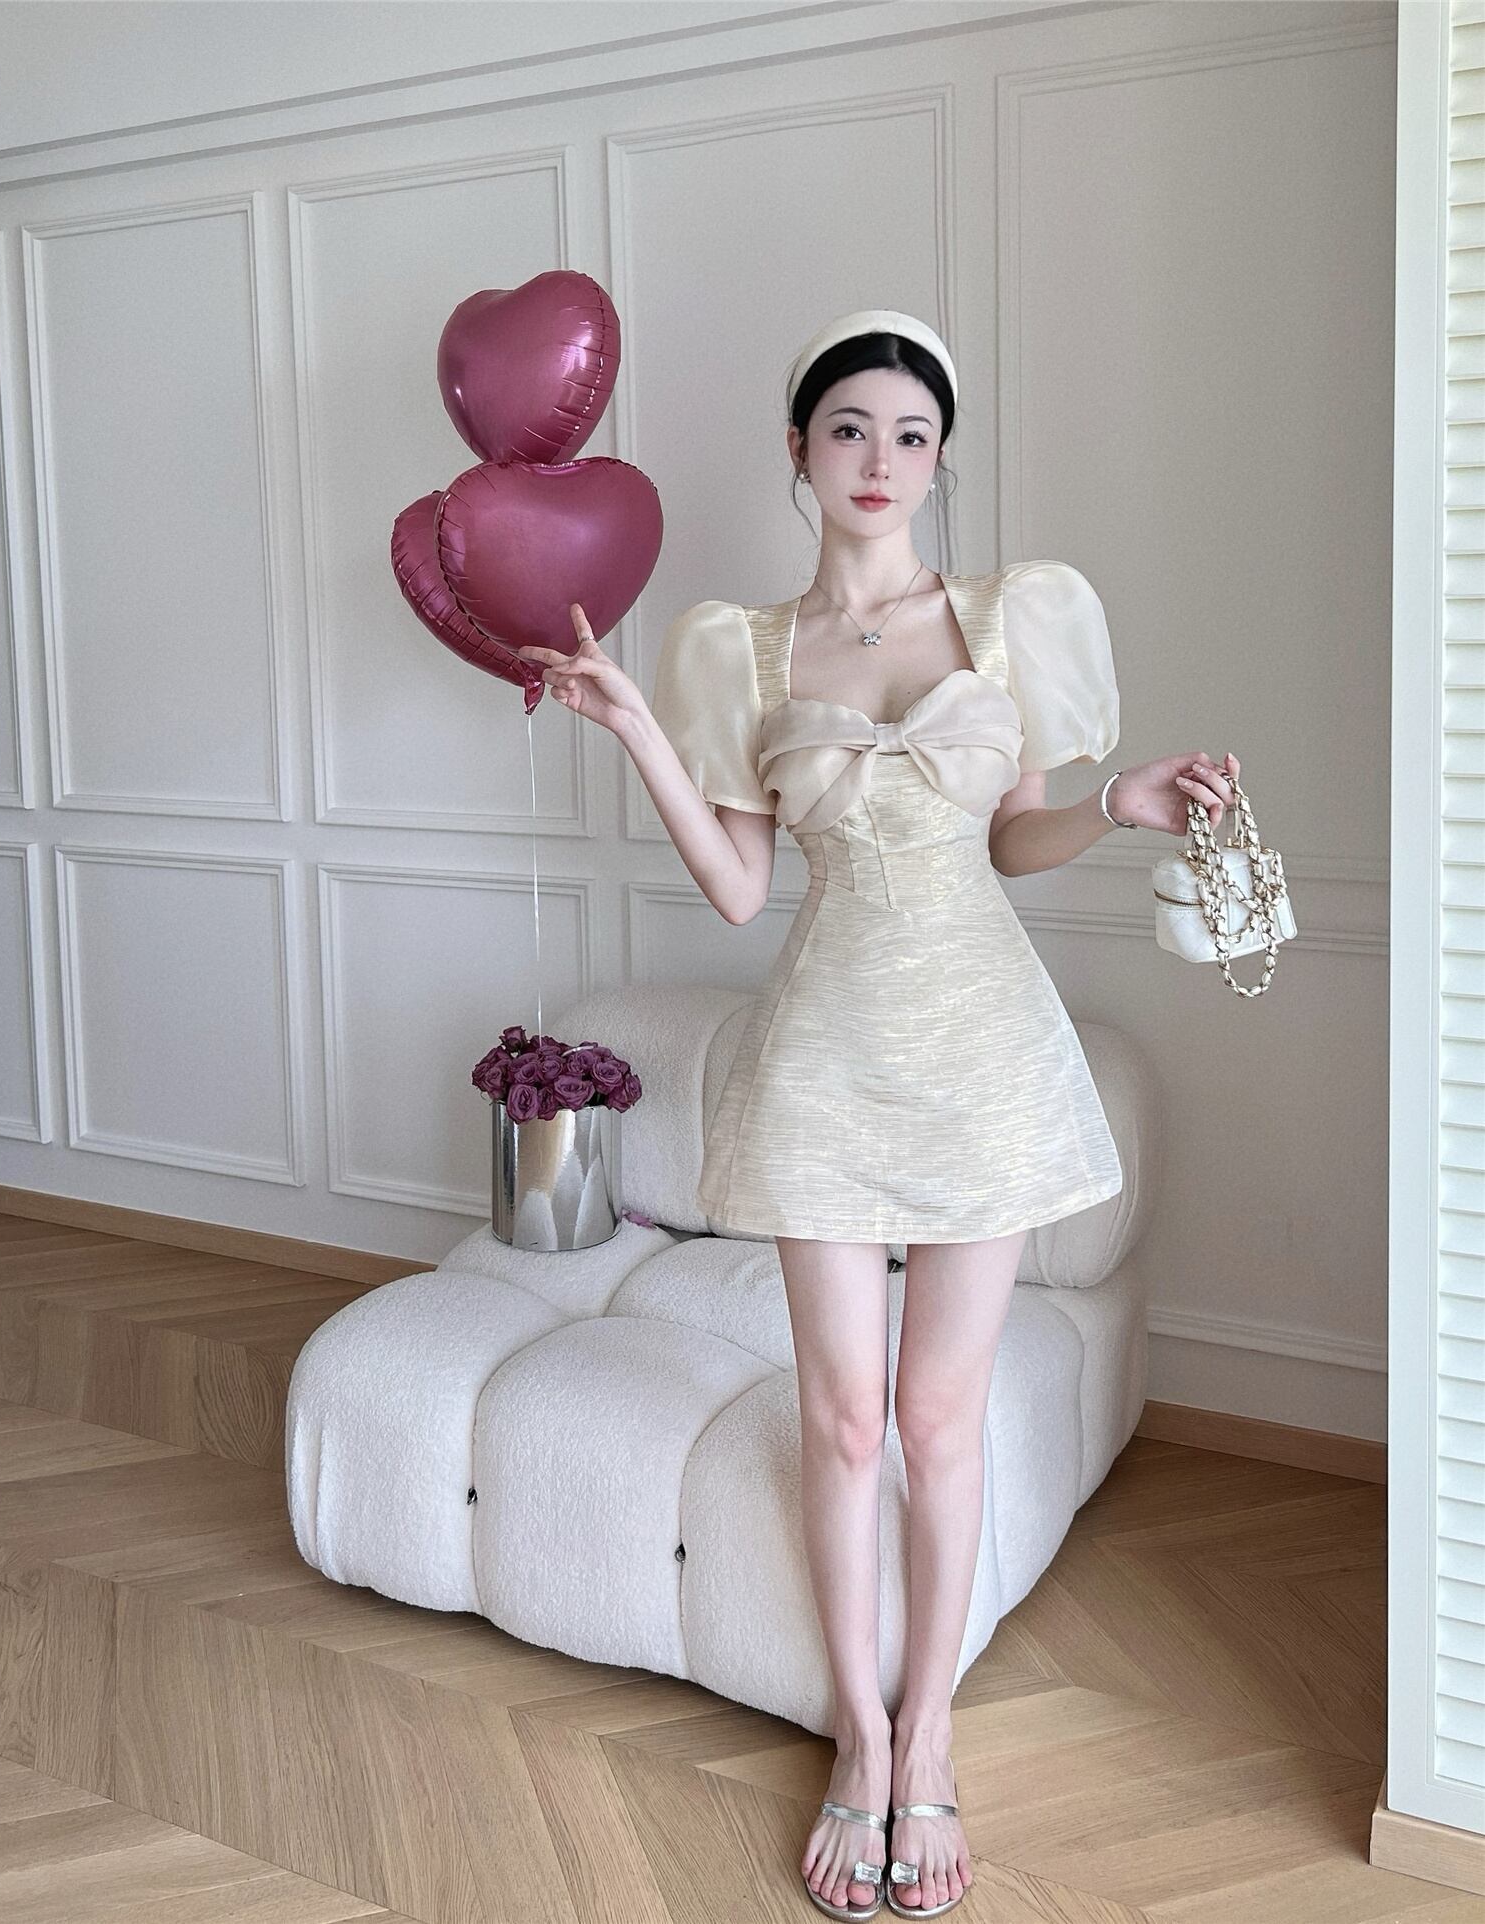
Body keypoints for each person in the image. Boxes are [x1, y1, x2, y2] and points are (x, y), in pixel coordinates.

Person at [519, 309, 1239, 1920]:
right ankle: (858, 1733)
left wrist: (1112, 806)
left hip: (982, 1054)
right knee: (846, 1422)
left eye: (912, 436)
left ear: (938, 461)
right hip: (825, 1062)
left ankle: (933, 1735)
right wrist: (637, 730)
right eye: (850, 427)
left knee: (938, 1421)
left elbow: (1011, 839)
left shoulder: (1008, 619)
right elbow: (738, 889)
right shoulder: (745, 651)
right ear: (798, 449)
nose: (881, 460)